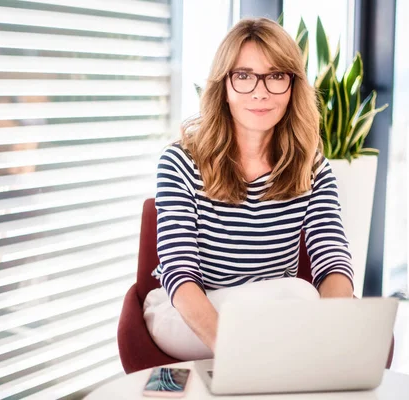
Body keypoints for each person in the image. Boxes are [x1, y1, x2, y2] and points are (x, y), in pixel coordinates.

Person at [143, 17, 354, 361]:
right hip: (184, 313)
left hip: (269, 311)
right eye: (243, 76)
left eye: (275, 76)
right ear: (223, 87)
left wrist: (328, 329)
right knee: (299, 295)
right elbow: (179, 275)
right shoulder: (180, 161)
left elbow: (333, 262)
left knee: (302, 300)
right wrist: (233, 351)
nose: (260, 91)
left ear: (292, 87)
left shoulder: (311, 167)